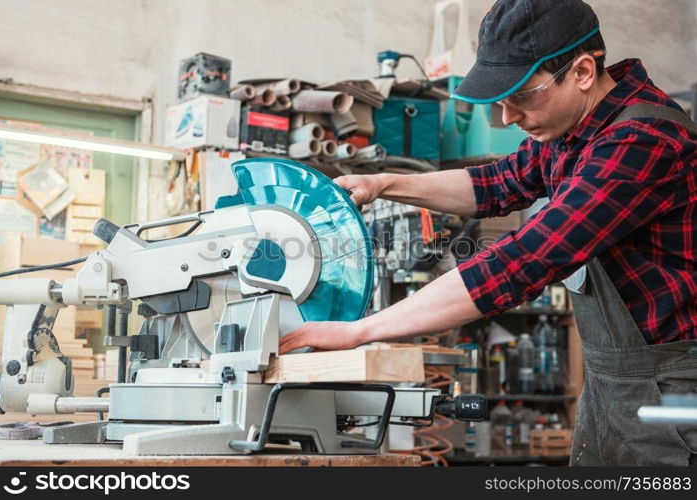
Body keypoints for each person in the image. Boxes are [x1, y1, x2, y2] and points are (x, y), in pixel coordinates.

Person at [279, 0, 697, 465]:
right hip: (611, 382)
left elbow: (523, 260)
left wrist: (362, 331)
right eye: (501, 99)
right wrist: (384, 184)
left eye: (522, 95)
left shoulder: (643, 141)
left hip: (672, 392)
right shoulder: (574, 130)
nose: (507, 118)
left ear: (581, 72)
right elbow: (496, 183)